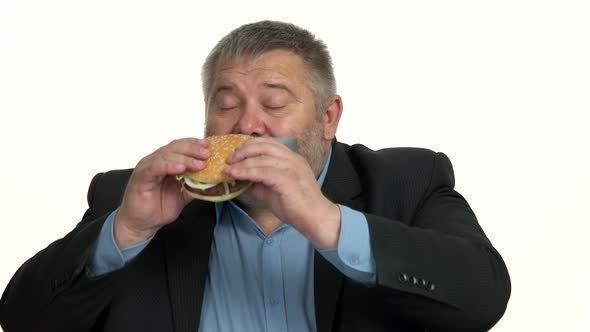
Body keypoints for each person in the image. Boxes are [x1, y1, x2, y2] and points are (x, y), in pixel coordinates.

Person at [0, 20, 510, 332]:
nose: (247, 124)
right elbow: (22, 321)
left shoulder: (408, 179)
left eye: (274, 102)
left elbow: (483, 298)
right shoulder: (132, 196)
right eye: (226, 105)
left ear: (328, 117)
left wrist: (327, 221)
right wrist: (126, 232)